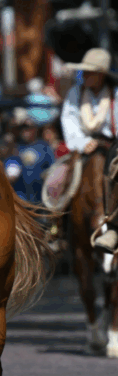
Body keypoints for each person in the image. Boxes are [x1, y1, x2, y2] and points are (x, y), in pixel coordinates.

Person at [60, 48, 118, 251]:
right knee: (59, 177)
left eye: (89, 72)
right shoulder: (75, 93)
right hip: (83, 146)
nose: (84, 75)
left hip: (113, 146)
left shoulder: (115, 94)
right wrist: (82, 142)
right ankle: (57, 227)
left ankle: (113, 225)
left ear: (101, 74)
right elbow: (69, 121)